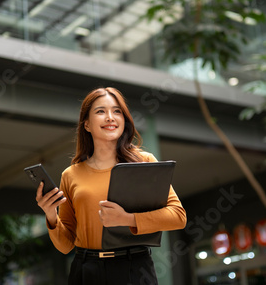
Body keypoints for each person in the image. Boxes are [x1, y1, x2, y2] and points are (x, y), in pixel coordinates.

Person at [36, 87, 187, 285]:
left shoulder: (144, 162)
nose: (110, 117)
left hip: (134, 268)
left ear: (124, 120)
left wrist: (127, 219)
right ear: (87, 124)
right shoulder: (71, 175)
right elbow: (66, 246)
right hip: (85, 270)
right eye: (100, 111)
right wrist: (51, 215)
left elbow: (178, 216)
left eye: (117, 111)